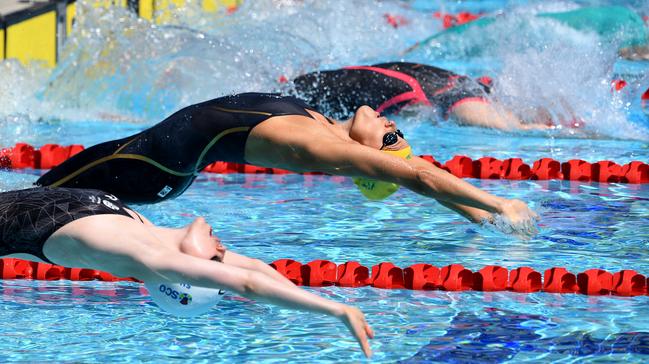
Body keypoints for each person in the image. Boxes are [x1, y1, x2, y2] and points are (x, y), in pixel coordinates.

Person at [36, 92, 538, 227]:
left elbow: (419, 176)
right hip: (149, 159)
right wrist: (475, 213)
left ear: (366, 161)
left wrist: (500, 204)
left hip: (147, 170)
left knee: (29, 208)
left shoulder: (324, 148)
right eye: (396, 131)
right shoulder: (321, 123)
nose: (390, 126)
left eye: (391, 139)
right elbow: (418, 173)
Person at [0, 186, 374, 357]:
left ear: (183, 276)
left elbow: (246, 283)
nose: (224, 250)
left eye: (210, 263)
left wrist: (338, 312)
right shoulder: (142, 227)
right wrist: (300, 321)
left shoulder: (148, 258)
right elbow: (255, 268)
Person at [290, 62, 554, 130]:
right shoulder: (318, 84)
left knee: (514, 128)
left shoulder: (304, 97)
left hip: (438, 92)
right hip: (439, 81)